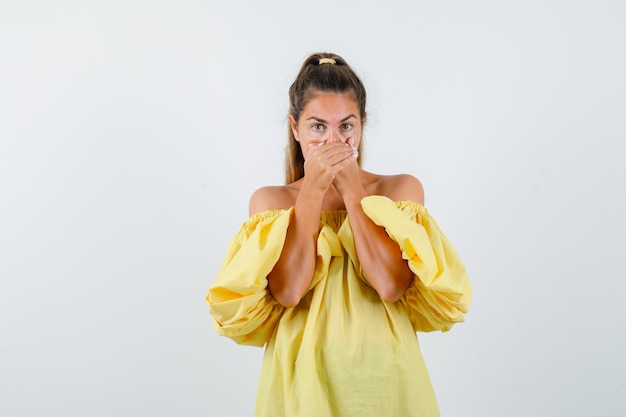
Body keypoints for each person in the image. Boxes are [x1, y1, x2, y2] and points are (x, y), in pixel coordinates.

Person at [206, 52, 472, 417]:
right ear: (295, 128)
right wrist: (313, 191)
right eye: (318, 127)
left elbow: (390, 285)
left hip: (386, 381)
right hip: (303, 382)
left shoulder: (399, 191)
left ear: (362, 125)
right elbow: (287, 291)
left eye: (346, 126)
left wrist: (353, 192)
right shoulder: (271, 202)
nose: (333, 140)